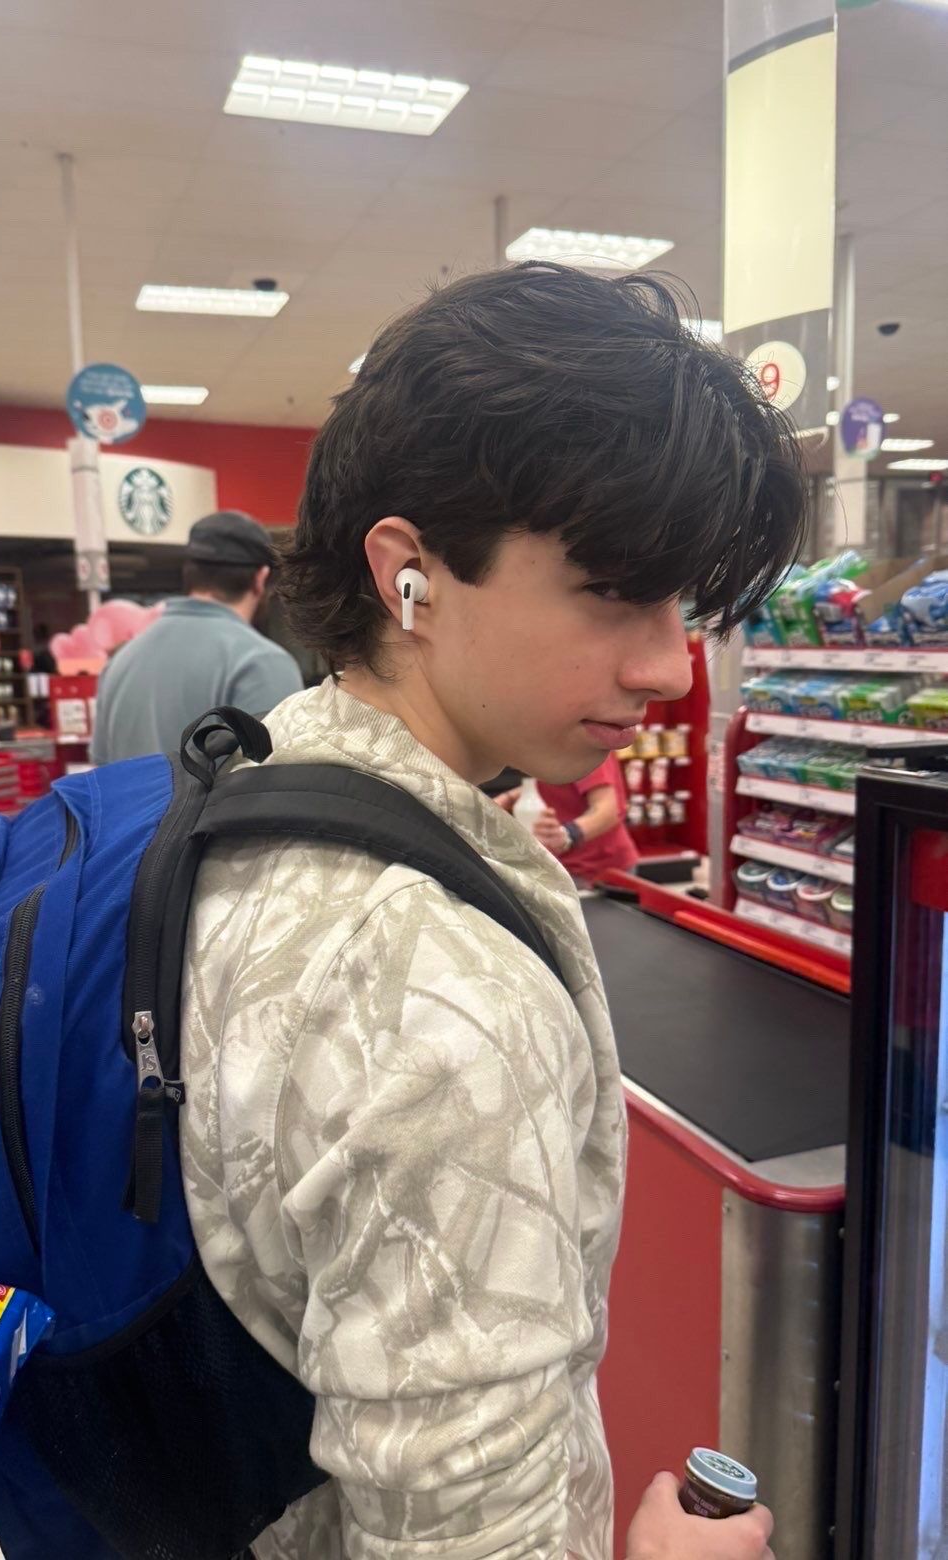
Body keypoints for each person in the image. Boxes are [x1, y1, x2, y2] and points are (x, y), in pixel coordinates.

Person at [180, 263, 802, 1559]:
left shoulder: (255, 787)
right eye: (615, 589)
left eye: (683, 601)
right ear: (407, 576)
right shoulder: (439, 1003)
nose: (668, 663)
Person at [89, 510, 303, 764]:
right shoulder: (261, 663)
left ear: (189, 574)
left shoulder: (119, 662)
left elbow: (101, 767)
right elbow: (276, 779)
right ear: (261, 578)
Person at [498, 754, 639, 882]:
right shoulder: (552, 747)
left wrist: (568, 834)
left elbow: (607, 811)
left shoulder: (586, 746)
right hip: (567, 865)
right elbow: (560, 786)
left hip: (600, 870)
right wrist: (508, 797)